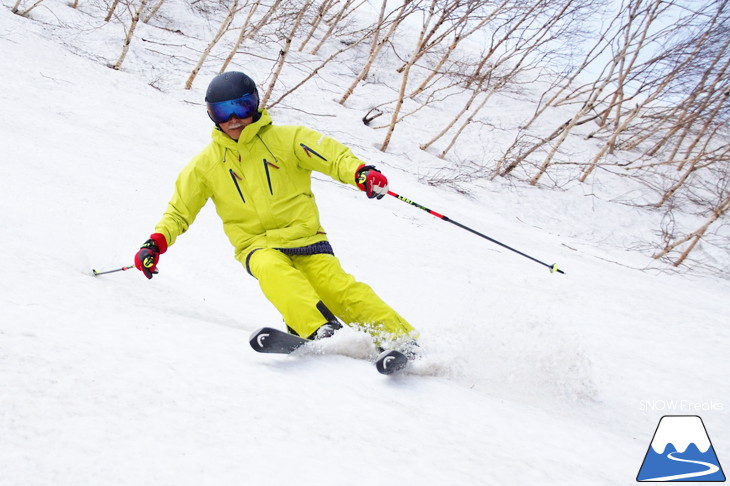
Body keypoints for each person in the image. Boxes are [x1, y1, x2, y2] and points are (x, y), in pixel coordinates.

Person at [134, 71, 418, 355]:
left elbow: (333, 156)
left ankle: (400, 339)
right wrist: (155, 243)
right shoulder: (205, 166)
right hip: (256, 244)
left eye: (241, 107)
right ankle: (320, 328)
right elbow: (179, 211)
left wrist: (361, 173)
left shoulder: (288, 139)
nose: (233, 119)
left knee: (338, 288)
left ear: (255, 104)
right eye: (222, 111)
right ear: (211, 116)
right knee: (272, 270)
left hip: (306, 238)